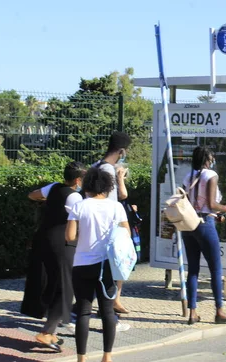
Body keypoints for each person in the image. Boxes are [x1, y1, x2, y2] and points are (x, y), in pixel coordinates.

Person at [65, 167, 129, 362]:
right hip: (107, 265)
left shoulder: (80, 206)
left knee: (84, 311)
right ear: (108, 187)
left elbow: (70, 236)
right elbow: (125, 234)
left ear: (87, 185)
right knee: (107, 311)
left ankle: (81, 358)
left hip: (82, 264)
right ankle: (107, 356)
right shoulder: (116, 207)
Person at [22, 162, 86, 351]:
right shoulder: (75, 197)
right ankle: (46, 332)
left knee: (51, 283)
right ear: (77, 180)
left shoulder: (54, 188)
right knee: (65, 287)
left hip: (43, 239)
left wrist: (47, 202)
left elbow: (32, 195)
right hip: (63, 244)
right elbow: (79, 222)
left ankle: (51, 330)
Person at [182, 146, 226, 325]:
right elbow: (212, 204)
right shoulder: (211, 175)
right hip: (205, 223)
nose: (213, 158)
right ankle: (219, 310)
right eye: (211, 156)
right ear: (207, 158)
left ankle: (192, 312)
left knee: (192, 269)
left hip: (189, 224)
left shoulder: (188, 176)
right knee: (216, 268)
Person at [93, 131, 131, 314]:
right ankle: (109, 305)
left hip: (95, 223)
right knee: (116, 263)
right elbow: (120, 196)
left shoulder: (96, 166)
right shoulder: (109, 170)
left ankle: (108, 302)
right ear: (121, 151)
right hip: (111, 224)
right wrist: (120, 178)